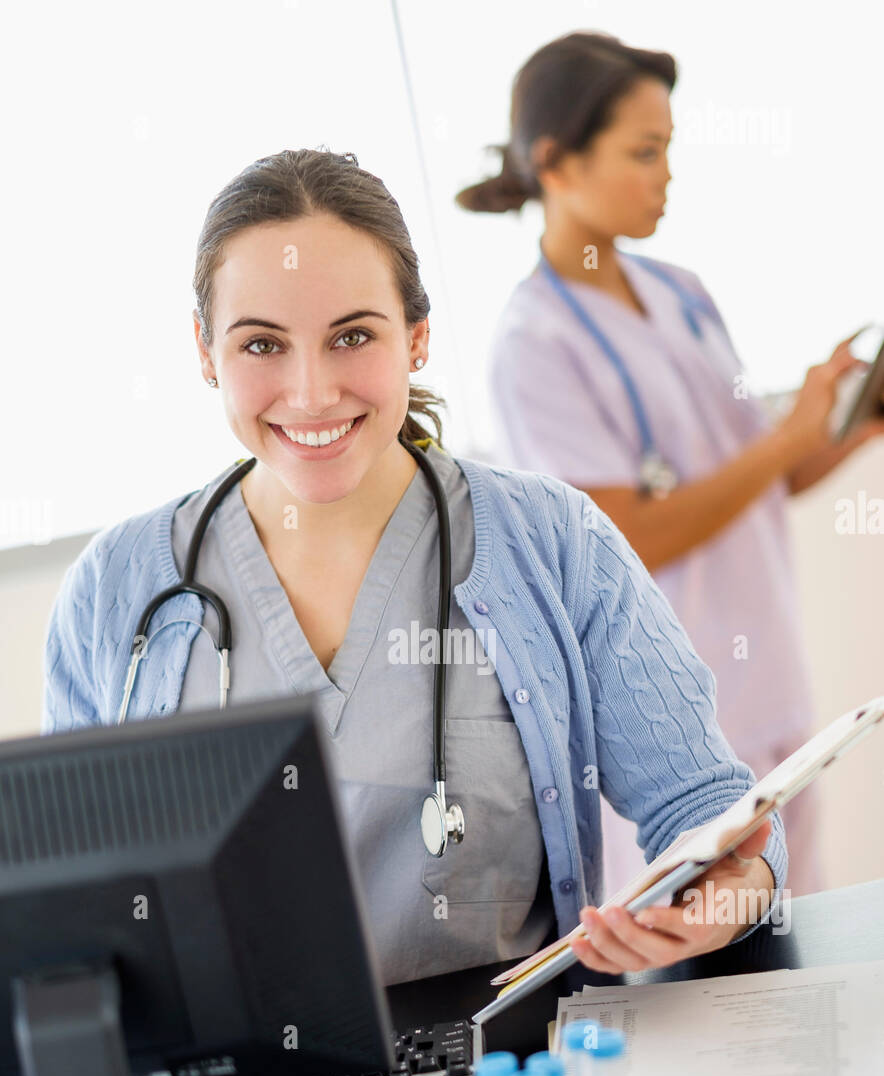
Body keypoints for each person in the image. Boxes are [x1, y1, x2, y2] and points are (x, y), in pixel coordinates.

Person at [43, 147, 785, 986]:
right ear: (205, 350)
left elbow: (711, 813)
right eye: (261, 345)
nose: (313, 391)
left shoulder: (551, 541)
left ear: (418, 338)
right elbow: (76, 912)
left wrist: (723, 897)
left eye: (353, 335)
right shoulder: (116, 592)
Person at [457, 31, 884, 901]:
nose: (666, 174)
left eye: (669, 150)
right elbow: (626, 536)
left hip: (777, 688)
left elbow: (769, 477)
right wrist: (787, 435)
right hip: (675, 731)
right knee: (711, 976)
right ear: (557, 161)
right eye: (643, 152)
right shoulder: (533, 343)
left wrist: (848, 428)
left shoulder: (682, 290)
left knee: (799, 949)